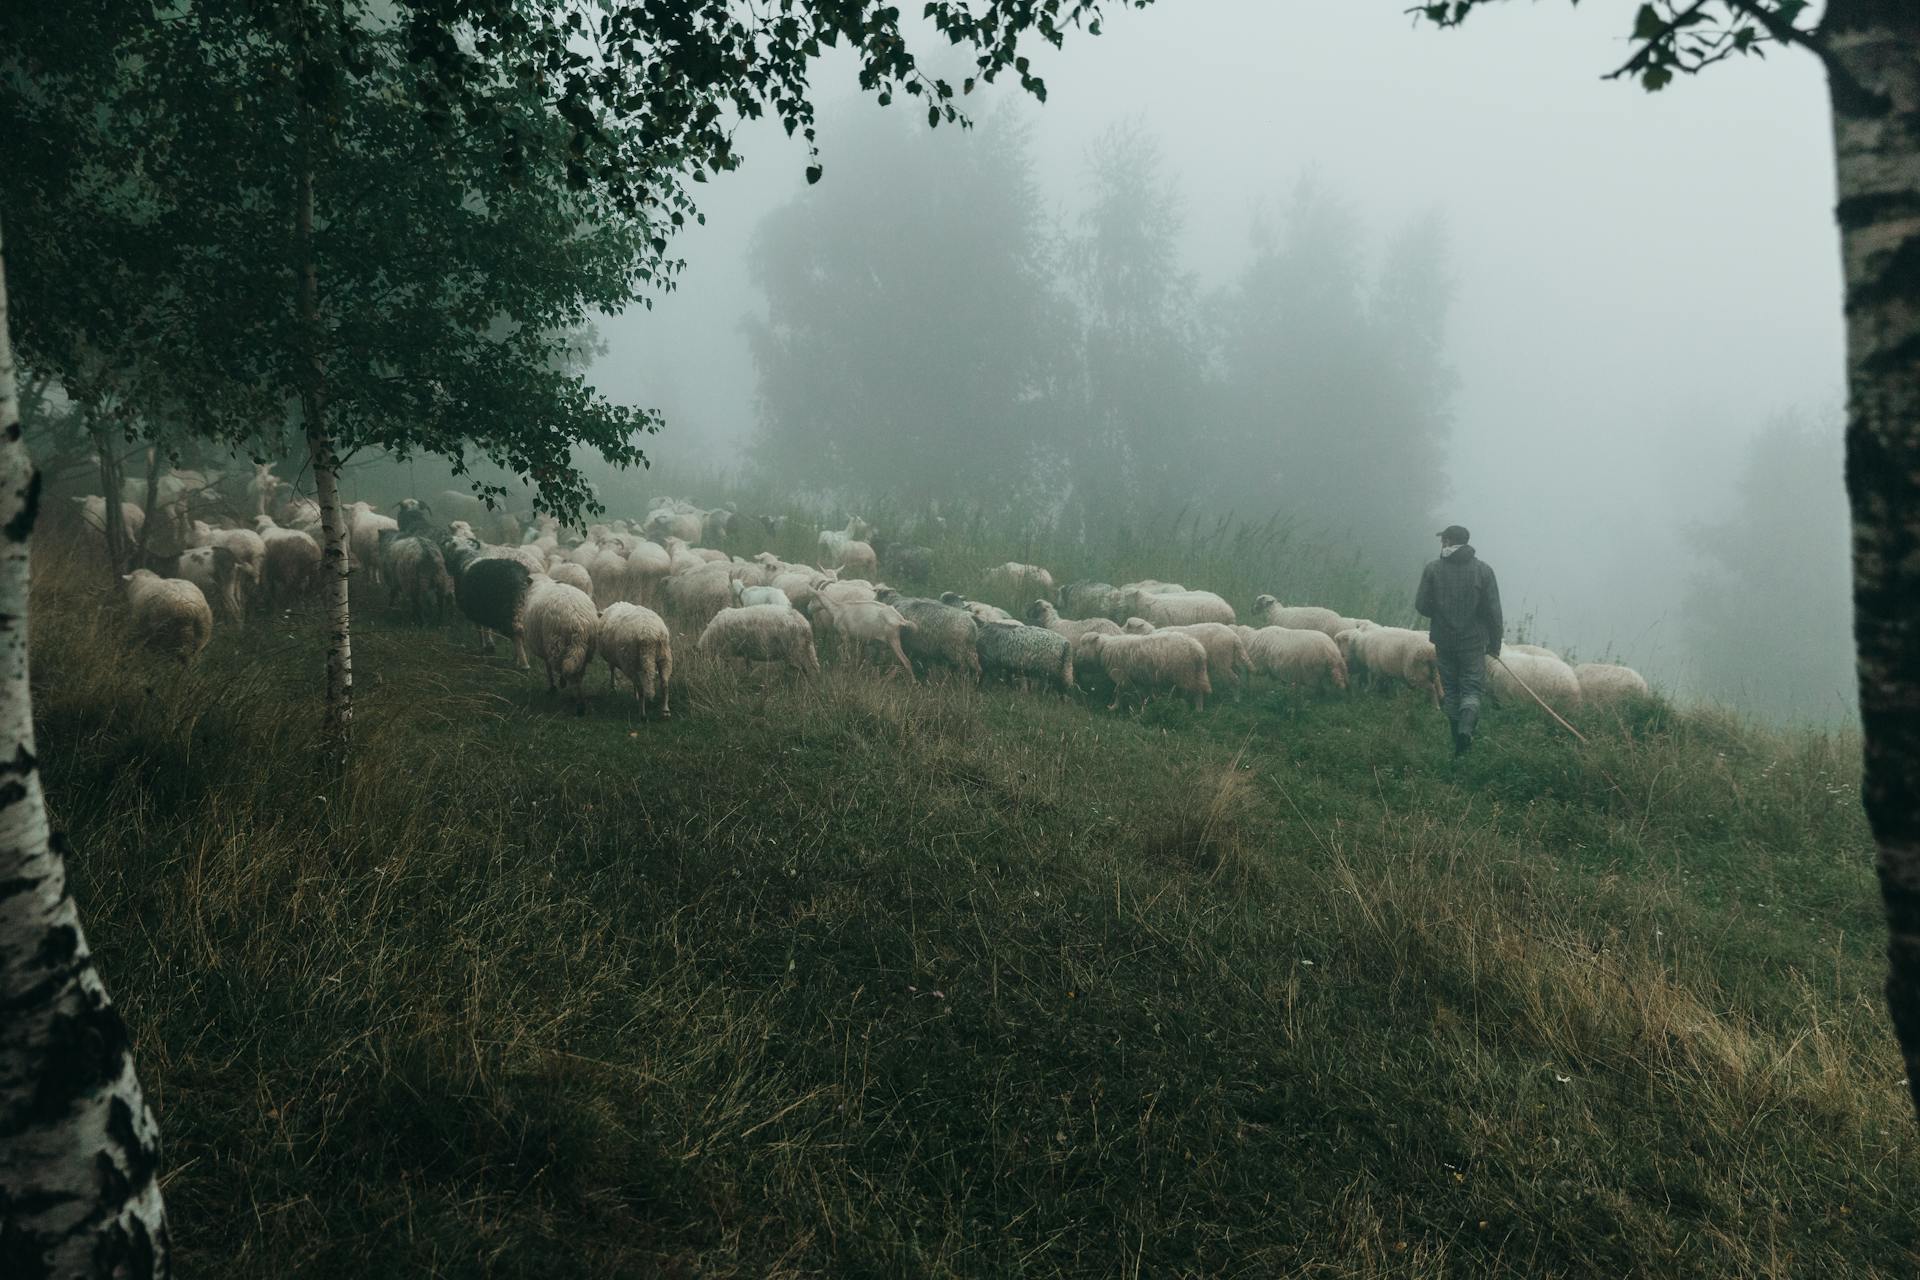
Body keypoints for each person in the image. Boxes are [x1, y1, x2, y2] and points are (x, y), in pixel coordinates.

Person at [1414, 524, 1503, 756]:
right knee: (1472, 688)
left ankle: (1457, 741)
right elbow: (1494, 612)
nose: (1441, 543)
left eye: (1443, 539)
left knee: (1451, 690)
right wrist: (1495, 644)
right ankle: (1466, 730)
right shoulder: (1483, 570)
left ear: (1448, 541)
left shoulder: (1433, 569)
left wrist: (1441, 613)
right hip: (1473, 642)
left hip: (1444, 641)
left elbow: (1421, 605)